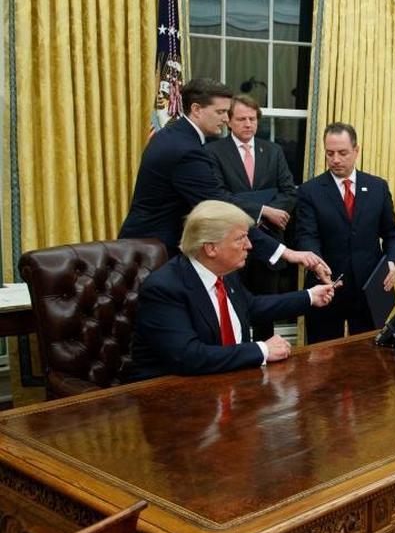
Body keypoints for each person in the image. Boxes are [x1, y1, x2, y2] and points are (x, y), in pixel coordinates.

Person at [119, 78, 329, 280]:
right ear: (196, 109)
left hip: (147, 246)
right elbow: (219, 209)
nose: (226, 119)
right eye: (220, 112)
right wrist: (285, 252)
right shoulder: (186, 150)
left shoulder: (175, 135)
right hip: (153, 252)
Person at [128, 200, 336, 381]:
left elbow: (252, 307)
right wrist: (261, 350)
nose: (249, 245)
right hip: (172, 398)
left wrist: (309, 297)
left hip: (231, 382)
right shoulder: (164, 288)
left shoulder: (224, 272)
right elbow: (189, 356)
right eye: (240, 238)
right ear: (210, 248)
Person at [295, 122, 395, 343]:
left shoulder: (377, 187)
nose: (335, 159)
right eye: (330, 153)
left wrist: (391, 262)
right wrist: (317, 264)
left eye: (342, 153)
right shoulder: (309, 191)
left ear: (356, 151)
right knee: (323, 361)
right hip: (326, 287)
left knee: (369, 360)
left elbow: (392, 234)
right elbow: (306, 236)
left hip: (369, 290)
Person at [205, 94, 298, 341]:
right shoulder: (213, 152)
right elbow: (219, 196)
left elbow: (289, 191)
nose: (248, 124)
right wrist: (262, 212)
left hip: (269, 243)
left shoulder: (273, 151)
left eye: (252, 118)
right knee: (236, 311)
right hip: (230, 244)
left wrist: (273, 214)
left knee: (267, 310)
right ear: (229, 122)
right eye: (242, 119)